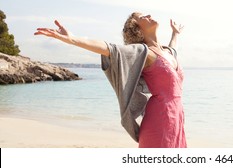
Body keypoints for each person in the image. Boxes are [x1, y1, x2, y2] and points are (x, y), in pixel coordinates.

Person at [34, 12, 187, 148]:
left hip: (177, 119)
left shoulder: (167, 52)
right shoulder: (144, 53)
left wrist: (176, 34)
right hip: (160, 120)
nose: (148, 15)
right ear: (137, 29)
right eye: (142, 17)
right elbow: (109, 49)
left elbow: (173, 48)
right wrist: (72, 39)